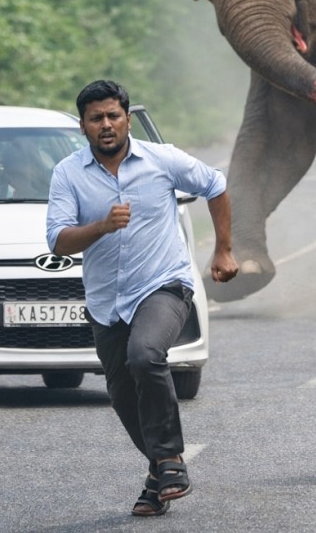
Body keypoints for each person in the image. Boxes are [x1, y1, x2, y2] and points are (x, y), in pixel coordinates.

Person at [46, 80, 239, 518]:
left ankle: (170, 458)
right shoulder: (68, 174)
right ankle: (158, 474)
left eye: (113, 115)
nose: (106, 124)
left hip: (163, 285)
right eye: (96, 118)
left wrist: (224, 250)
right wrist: (100, 226)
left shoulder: (161, 159)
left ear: (127, 120)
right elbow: (58, 240)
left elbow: (215, 184)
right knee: (121, 394)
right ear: (83, 126)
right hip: (105, 300)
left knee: (146, 354)